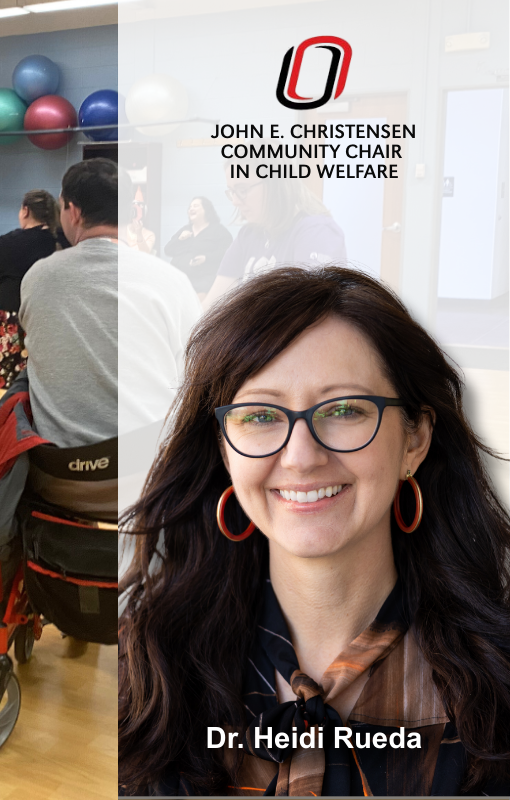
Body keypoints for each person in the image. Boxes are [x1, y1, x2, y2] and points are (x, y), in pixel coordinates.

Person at [118, 267, 510, 797]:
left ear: (414, 440)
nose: (301, 457)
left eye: (345, 410)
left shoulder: (497, 679)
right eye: (259, 416)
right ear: (223, 449)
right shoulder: (146, 667)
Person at [20, 159, 117, 452]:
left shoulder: (39, 275)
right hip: (143, 465)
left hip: (58, 465)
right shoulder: (171, 280)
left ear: (72, 212)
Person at [203, 156, 346, 308]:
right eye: (232, 191)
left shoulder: (316, 232)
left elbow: (308, 309)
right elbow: (213, 304)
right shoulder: (248, 235)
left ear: (275, 183)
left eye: (242, 190)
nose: (235, 201)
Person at [0, 190, 60, 389]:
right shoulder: (56, 241)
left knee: (12, 379)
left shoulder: (8, 241)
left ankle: (16, 415)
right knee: (44, 376)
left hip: (12, 315)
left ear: (25, 211)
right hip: (46, 314)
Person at [163, 196, 233, 297]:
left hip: (203, 283)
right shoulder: (185, 230)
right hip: (178, 281)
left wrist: (206, 258)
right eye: (190, 207)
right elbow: (167, 250)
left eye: (195, 206)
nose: (191, 208)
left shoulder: (219, 231)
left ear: (206, 209)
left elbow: (228, 254)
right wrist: (180, 239)